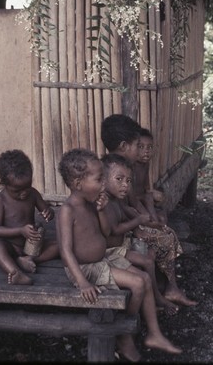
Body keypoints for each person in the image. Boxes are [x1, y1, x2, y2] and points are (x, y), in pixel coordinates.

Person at [56, 148, 182, 362]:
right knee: (138, 283)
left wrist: (102, 210)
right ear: (78, 184)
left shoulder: (91, 204)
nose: (103, 185)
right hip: (86, 269)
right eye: (99, 180)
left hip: (103, 259)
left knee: (144, 279)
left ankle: (153, 334)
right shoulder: (67, 211)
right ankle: (124, 335)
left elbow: (106, 232)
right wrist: (83, 282)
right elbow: (65, 251)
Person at [101, 116, 197, 307]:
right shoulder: (113, 173)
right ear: (123, 146)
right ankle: (169, 289)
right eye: (137, 145)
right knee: (165, 237)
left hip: (126, 226)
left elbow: (128, 204)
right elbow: (117, 212)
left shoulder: (118, 168)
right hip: (114, 239)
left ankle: (168, 287)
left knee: (163, 230)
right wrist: (140, 224)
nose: (140, 150)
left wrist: (144, 218)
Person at [101, 152, 179, 316]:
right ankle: (149, 302)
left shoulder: (115, 199)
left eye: (128, 181)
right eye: (119, 179)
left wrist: (144, 224)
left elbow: (129, 213)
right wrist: (137, 222)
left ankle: (156, 295)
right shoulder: (105, 204)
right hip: (111, 252)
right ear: (103, 180)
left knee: (150, 258)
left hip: (121, 246)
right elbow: (114, 229)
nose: (125, 185)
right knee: (146, 263)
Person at [0, 149, 59, 285]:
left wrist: (49, 213)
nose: (24, 193)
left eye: (27, 186)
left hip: (31, 246)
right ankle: (15, 272)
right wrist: (21, 230)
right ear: (4, 184)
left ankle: (29, 259)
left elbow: (46, 210)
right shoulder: (0, 200)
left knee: (61, 245)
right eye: (17, 190)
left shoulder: (33, 194)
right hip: (10, 245)